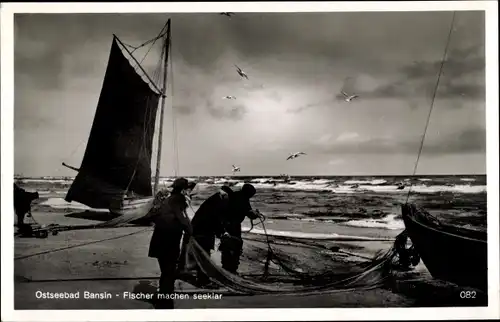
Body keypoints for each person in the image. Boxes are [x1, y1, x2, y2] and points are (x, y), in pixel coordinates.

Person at [147, 177, 195, 309]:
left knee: (166, 271)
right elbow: (182, 218)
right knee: (169, 272)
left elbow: (155, 216)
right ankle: (165, 302)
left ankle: (163, 296)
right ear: (184, 189)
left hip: (158, 240)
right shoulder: (178, 199)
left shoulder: (167, 199)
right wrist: (190, 230)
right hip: (169, 242)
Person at [180, 185, 233, 286]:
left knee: (201, 255)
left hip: (198, 230)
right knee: (204, 256)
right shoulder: (217, 203)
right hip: (203, 232)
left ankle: (196, 276)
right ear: (225, 195)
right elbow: (215, 219)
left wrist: (220, 232)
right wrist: (222, 232)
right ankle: (203, 280)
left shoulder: (212, 201)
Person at [219, 183, 261, 274]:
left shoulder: (234, 195)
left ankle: (225, 266)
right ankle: (232, 268)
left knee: (226, 245)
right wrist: (257, 214)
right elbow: (250, 214)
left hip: (224, 224)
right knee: (236, 245)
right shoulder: (244, 199)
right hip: (234, 225)